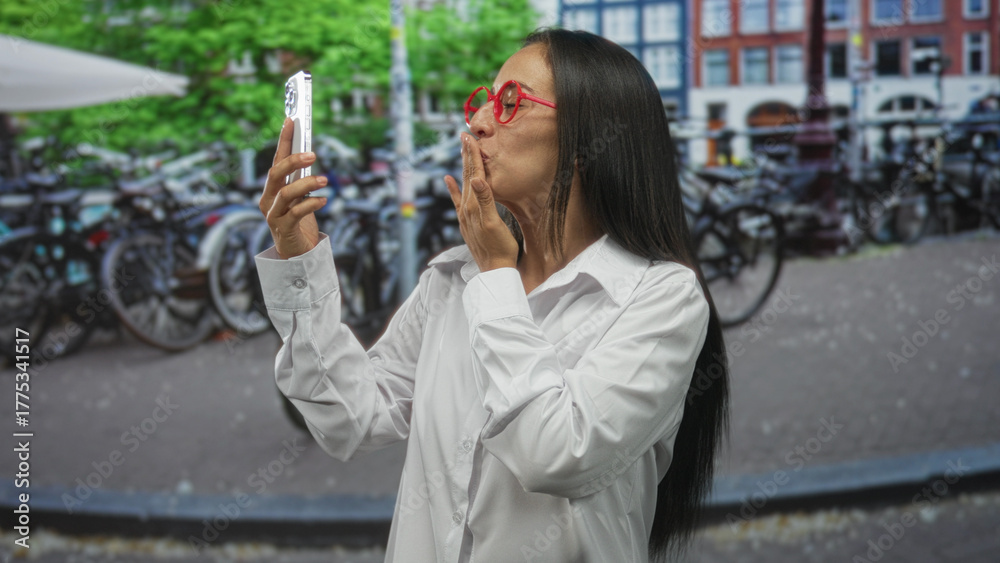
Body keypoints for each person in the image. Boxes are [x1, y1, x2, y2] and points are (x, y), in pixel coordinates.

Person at [255, 28, 730, 563]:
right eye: (483, 101)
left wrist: (497, 274)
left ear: (589, 136)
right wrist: (301, 259)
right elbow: (350, 418)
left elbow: (557, 454)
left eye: (511, 103)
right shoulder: (452, 280)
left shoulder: (662, 297)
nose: (477, 121)